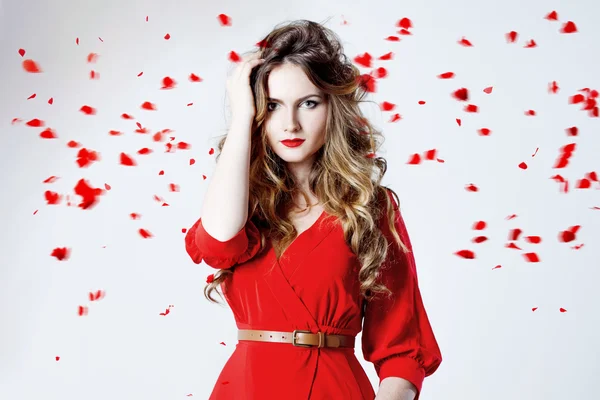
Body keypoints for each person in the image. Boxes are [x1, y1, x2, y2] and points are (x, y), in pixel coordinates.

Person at [185, 19, 442, 400]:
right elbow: (218, 240)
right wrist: (241, 114)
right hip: (246, 389)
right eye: (272, 106)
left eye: (308, 103)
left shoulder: (370, 208)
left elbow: (401, 349)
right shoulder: (243, 204)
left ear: (332, 108)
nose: (289, 123)